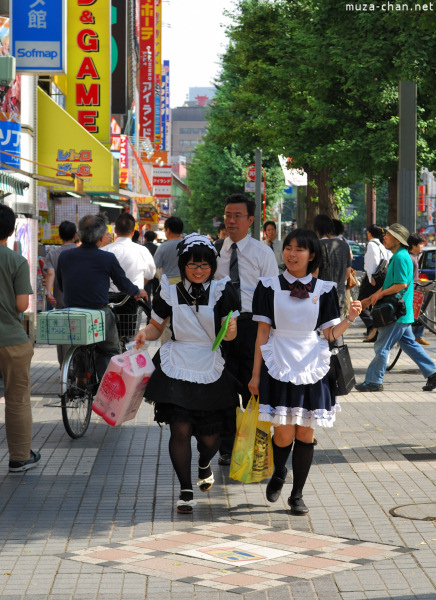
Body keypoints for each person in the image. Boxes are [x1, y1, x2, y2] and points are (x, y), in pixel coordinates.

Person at [248, 228, 361, 514]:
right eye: (288, 247)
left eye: (299, 249)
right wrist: (255, 375)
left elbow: (329, 333)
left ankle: (297, 495)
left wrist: (350, 318)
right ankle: (279, 472)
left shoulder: (324, 290)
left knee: (306, 434)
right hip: (279, 360)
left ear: (312, 255)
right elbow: (262, 332)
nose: (292, 253)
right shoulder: (268, 286)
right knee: (284, 434)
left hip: (312, 363)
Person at [134, 234, 240, 514]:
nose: (198, 270)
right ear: (182, 264)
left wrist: (230, 332)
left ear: (212, 266)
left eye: (205, 265)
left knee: (209, 438)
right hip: (177, 360)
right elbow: (157, 327)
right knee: (179, 429)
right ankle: (185, 489)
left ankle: (204, 463)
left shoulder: (222, 289)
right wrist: (145, 334)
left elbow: (232, 332)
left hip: (210, 362)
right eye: (192, 264)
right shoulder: (169, 288)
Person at [215, 193, 279, 464]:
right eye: (228, 215)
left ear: (250, 220)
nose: (231, 220)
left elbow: (274, 293)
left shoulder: (262, 252)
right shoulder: (216, 250)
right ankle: (228, 447)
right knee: (224, 387)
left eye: (237, 215)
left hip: (253, 326)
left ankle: (255, 445)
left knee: (254, 387)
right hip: (223, 327)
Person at [57, 214, 147, 379]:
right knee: (110, 350)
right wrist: (138, 291)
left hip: (73, 312)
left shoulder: (65, 256)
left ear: (80, 234)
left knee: (79, 343)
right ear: (100, 236)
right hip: (98, 313)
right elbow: (123, 284)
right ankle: (105, 386)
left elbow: (62, 286)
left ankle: (81, 379)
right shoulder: (106, 258)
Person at [355, 223, 436, 393]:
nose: (384, 237)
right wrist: (369, 299)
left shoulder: (400, 258)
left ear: (398, 240)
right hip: (401, 312)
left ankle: (373, 381)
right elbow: (390, 284)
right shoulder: (399, 256)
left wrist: (378, 295)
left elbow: (400, 284)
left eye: (388, 235)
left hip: (395, 313)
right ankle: (433, 373)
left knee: (381, 347)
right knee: (409, 345)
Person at [0, 204, 40, 473]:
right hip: (11, 340)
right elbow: (21, 304)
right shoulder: (15, 261)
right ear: (12, 229)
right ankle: (19, 457)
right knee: (16, 398)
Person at [44, 221, 79, 366]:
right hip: (80, 303)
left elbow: (50, 274)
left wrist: (48, 293)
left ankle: (65, 370)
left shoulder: (53, 254)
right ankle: (79, 370)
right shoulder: (80, 252)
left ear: (59, 236)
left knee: (63, 339)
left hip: (61, 303)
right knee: (79, 338)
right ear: (75, 235)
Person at [154, 216, 184, 345]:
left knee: (166, 322)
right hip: (186, 287)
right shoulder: (187, 245)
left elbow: (154, 268)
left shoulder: (163, 247)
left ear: (168, 230)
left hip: (168, 288)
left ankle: (167, 350)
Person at [313, 214, 351, 316]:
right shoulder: (344, 245)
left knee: (320, 327)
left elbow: (315, 272)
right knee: (337, 326)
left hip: (321, 294)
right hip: (339, 293)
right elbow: (348, 272)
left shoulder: (316, 245)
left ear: (317, 229)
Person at [358, 225, 390, 342]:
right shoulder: (381, 245)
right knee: (374, 303)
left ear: (369, 233)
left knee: (360, 304)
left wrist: (371, 277)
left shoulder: (372, 244)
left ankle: (373, 327)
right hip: (382, 277)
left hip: (372, 277)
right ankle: (372, 332)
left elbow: (373, 262)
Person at [408, 232, 428, 345]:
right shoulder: (410, 258)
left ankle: (417, 336)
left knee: (419, 313)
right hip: (412, 290)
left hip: (415, 289)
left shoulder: (414, 257)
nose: (422, 246)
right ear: (413, 245)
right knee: (418, 313)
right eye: (421, 244)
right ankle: (416, 336)